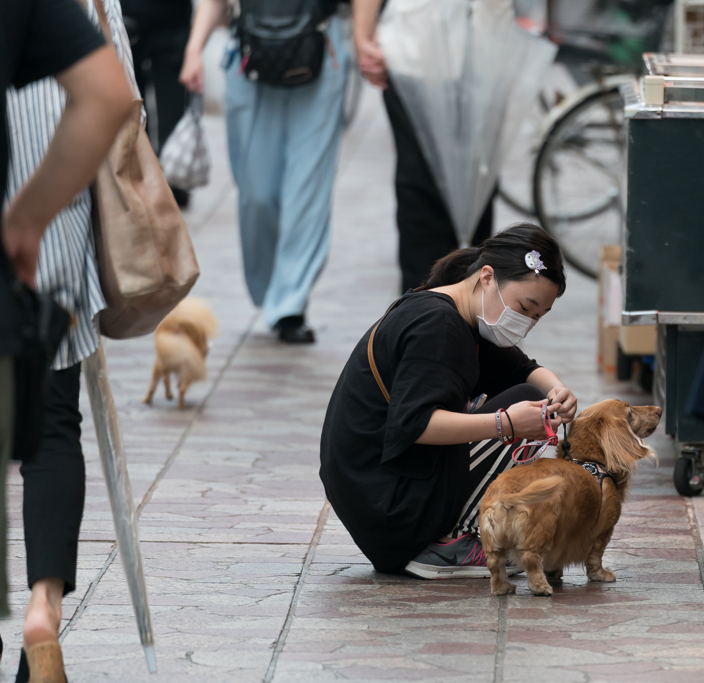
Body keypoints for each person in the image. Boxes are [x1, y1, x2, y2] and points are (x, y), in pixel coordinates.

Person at [320, 224, 578, 578]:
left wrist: (558, 391)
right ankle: (450, 542)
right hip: (391, 514)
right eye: (525, 307)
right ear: (487, 277)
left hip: (377, 499)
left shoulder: (456, 313)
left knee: (533, 397)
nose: (526, 323)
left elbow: (524, 370)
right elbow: (415, 423)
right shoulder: (438, 326)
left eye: (537, 317)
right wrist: (508, 424)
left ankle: (450, 534)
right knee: (525, 411)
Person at [1, 0, 135, 678]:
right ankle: (42, 606)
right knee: (53, 425)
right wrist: (32, 213)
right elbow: (117, 95)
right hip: (44, 234)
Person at [180, 0, 348, 344]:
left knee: (308, 188)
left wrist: (363, 38)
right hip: (250, 53)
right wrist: (194, 49)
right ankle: (273, 285)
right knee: (257, 193)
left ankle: (290, 303)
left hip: (321, 44)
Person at [351, 0, 495, 293]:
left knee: (477, 191)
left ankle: (473, 305)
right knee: (419, 187)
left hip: (484, 51)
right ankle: (422, 309)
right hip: (411, 50)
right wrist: (363, 37)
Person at [121, 0, 194, 207]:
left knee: (158, 101)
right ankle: (160, 177)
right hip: (143, 17)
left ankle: (166, 178)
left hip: (166, 19)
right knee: (135, 101)